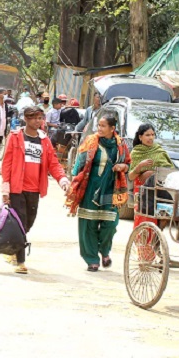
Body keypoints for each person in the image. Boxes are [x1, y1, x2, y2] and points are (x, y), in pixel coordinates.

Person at [1, 106, 70, 274]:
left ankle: (12, 248)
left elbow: (53, 163)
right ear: (26, 119)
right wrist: (5, 189)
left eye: (40, 118)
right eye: (34, 118)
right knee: (20, 223)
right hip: (17, 188)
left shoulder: (44, 140)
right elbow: (7, 163)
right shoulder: (15, 137)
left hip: (35, 189)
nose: (38, 121)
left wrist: (62, 180)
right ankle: (20, 261)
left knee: (28, 223)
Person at [67, 115, 131, 272]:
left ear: (112, 128)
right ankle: (92, 259)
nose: (99, 128)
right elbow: (79, 164)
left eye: (103, 126)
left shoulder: (121, 145)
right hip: (90, 187)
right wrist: (74, 183)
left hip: (111, 187)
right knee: (88, 224)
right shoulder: (90, 141)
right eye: (98, 125)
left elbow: (128, 164)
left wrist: (123, 167)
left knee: (111, 224)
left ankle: (104, 250)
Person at [128, 124, 174, 228]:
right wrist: (140, 166)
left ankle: (155, 238)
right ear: (140, 137)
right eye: (147, 135)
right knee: (143, 218)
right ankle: (142, 239)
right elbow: (131, 176)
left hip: (159, 188)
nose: (151, 138)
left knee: (160, 217)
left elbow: (168, 170)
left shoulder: (159, 150)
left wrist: (152, 173)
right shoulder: (136, 152)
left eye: (153, 135)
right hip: (142, 189)